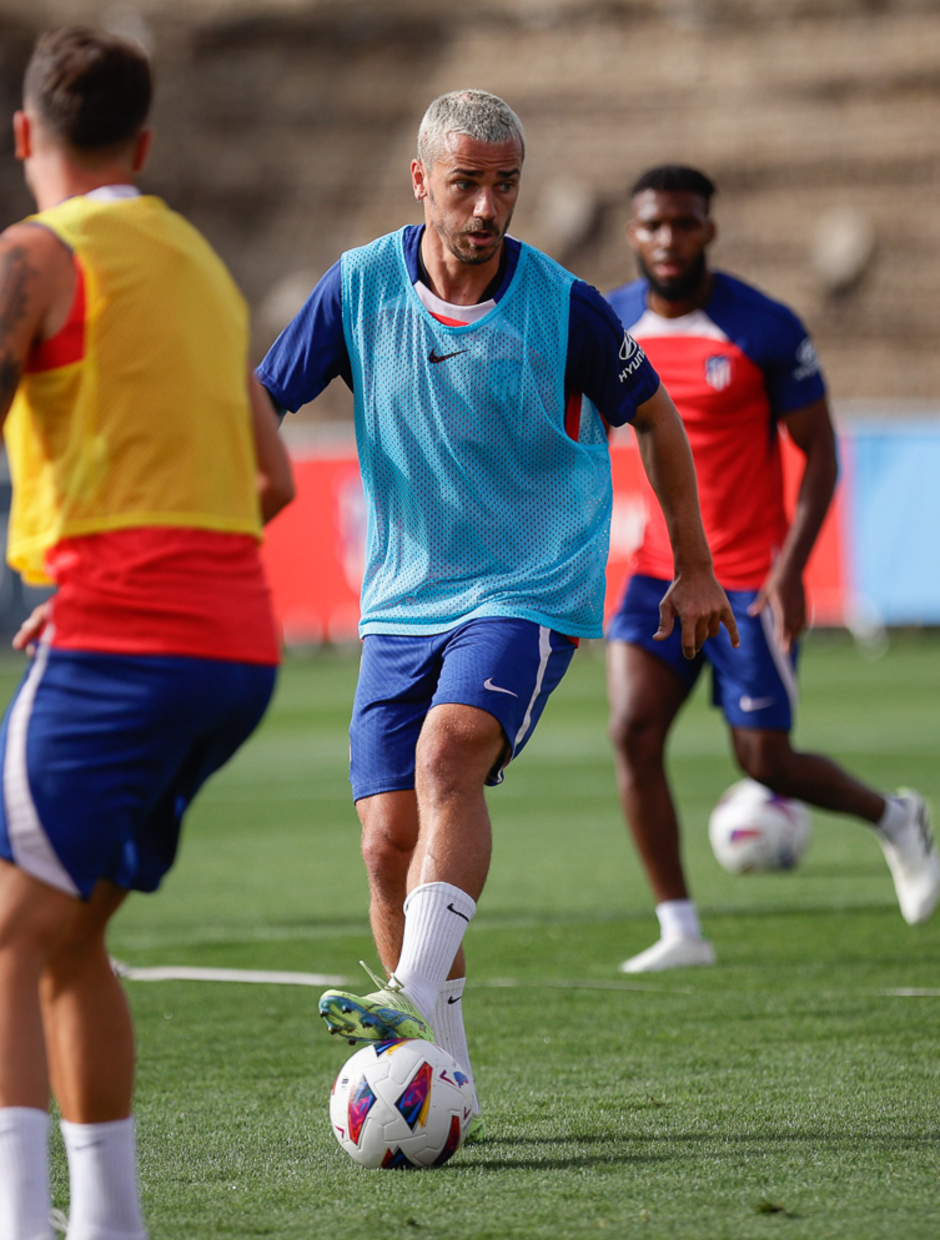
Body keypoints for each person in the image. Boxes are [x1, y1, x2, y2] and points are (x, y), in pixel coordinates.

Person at [258, 94, 734, 1134]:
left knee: (448, 755)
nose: (488, 205)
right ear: (419, 181)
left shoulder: (563, 306)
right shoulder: (356, 287)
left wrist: (694, 567)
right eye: (467, 182)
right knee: (388, 842)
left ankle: (406, 1004)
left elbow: (650, 413)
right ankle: (446, 1076)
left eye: (506, 183)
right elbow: (266, 400)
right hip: (400, 598)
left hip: (527, 586)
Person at [0, 27, 293, 1240]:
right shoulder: (200, 266)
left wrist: (108, 576)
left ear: (25, 138)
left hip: (124, 644)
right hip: (233, 648)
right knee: (65, 938)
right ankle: (106, 1224)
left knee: (8, 939)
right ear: (147, 144)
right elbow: (270, 479)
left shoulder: (35, 252)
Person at [605, 164, 938, 974]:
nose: (669, 239)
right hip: (655, 574)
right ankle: (681, 926)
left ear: (710, 229)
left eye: (685, 223)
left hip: (748, 580)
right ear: (633, 234)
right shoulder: (608, 323)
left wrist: (791, 571)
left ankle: (895, 817)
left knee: (764, 760)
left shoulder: (763, 328)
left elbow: (819, 453)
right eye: (654, 225)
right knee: (632, 732)